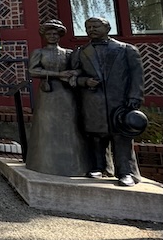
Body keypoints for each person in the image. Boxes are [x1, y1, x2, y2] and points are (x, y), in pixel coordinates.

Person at [71, 16, 144, 187]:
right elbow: (73, 76)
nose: (92, 29)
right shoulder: (81, 52)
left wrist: (135, 97)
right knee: (96, 137)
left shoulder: (127, 50)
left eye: (96, 26)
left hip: (119, 101)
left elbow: (137, 76)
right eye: (88, 27)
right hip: (93, 102)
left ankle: (126, 172)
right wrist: (84, 81)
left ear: (107, 28)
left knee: (121, 138)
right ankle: (99, 167)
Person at [25, 20, 90, 176]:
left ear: (60, 35)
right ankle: (42, 161)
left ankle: (73, 164)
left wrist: (75, 74)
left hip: (66, 93)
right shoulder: (39, 53)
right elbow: (33, 71)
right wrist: (58, 74)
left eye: (55, 34)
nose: (52, 36)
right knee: (46, 126)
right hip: (48, 94)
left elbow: (79, 68)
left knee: (70, 125)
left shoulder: (69, 53)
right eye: (49, 34)